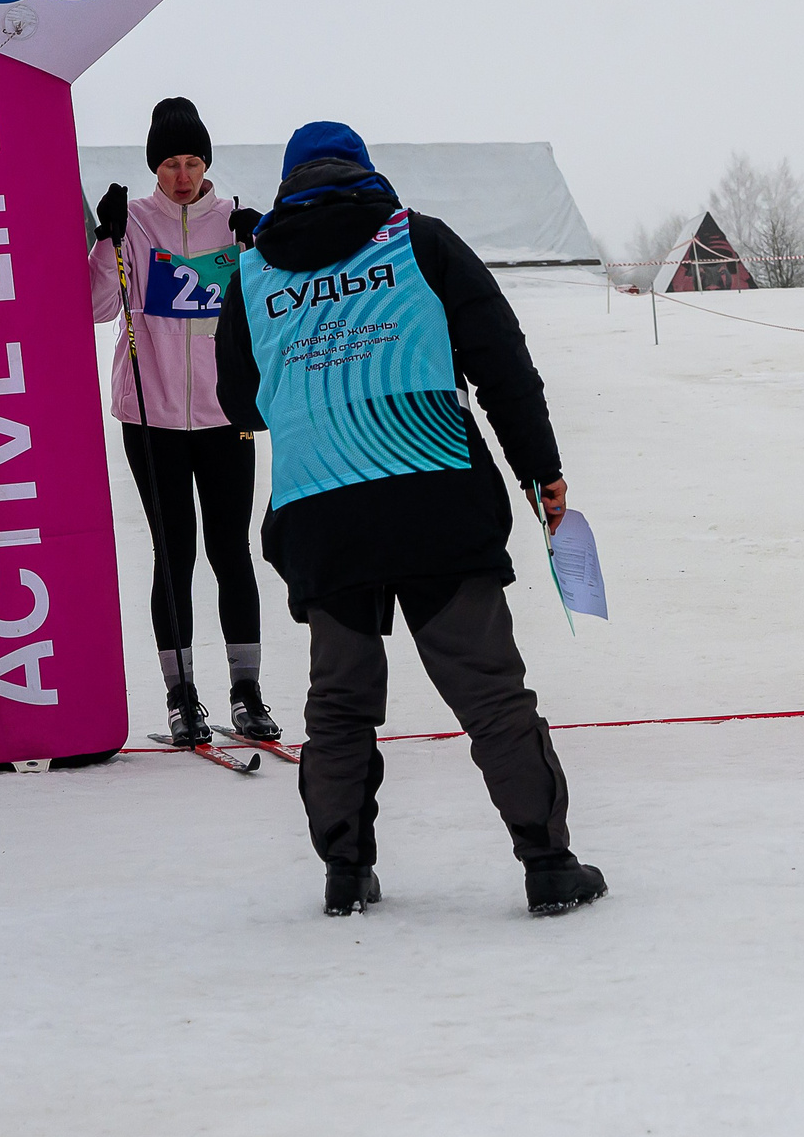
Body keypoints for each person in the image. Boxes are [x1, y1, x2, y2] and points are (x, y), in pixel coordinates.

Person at [216, 121, 605, 920]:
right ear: (365, 173)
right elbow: (501, 357)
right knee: (490, 688)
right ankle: (547, 864)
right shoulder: (419, 241)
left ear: (289, 185)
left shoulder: (251, 273)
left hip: (321, 508)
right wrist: (541, 472)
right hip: (434, 496)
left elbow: (238, 402)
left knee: (340, 697)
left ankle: (344, 874)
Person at [90, 97, 272, 749]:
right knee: (176, 555)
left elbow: (274, 299)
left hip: (228, 415)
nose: (183, 174)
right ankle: (181, 695)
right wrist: (104, 236)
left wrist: (262, 242)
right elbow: (98, 305)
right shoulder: (136, 222)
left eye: (193, 161)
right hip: (152, 414)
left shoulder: (233, 220)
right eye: (170, 163)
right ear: (154, 166)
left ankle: (247, 692)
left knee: (231, 550)